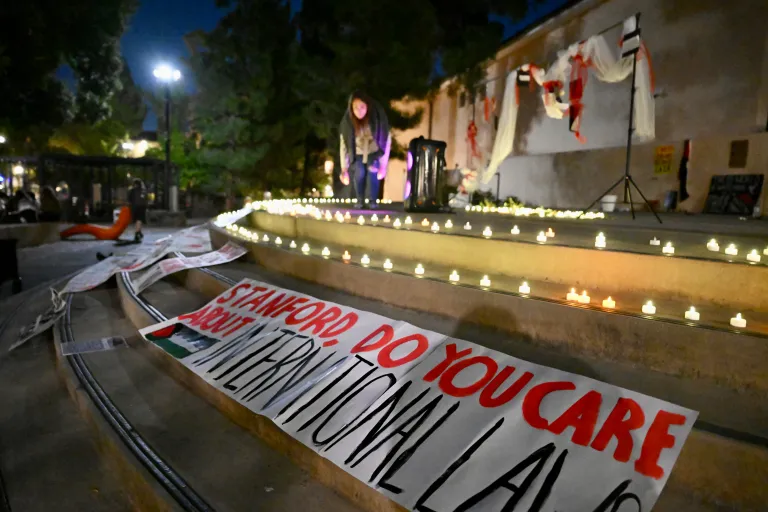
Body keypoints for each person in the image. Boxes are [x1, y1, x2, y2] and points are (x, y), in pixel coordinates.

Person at [339, 91, 391, 209]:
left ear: (368, 106)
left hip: (374, 152)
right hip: (357, 152)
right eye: (355, 107)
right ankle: (360, 199)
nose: (359, 110)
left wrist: (383, 165)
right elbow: (344, 145)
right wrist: (344, 168)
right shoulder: (348, 123)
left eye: (362, 107)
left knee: (372, 171)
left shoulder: (377, 120)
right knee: (359, 172)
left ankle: (373, 200)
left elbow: (386, 141)